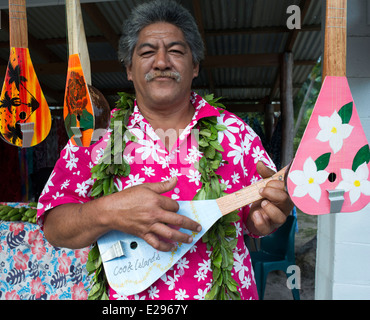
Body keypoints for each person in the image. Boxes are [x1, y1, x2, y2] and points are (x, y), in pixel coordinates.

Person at [37, 0, 293, 300]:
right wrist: (108, 211)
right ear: (130, 70)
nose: (161, 62)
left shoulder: (236, 133)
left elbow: (260, 217)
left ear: (195, 66)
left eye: (175, 51)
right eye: (147, 52)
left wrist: (270, 216)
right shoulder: (97, 135)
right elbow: (53, 227)